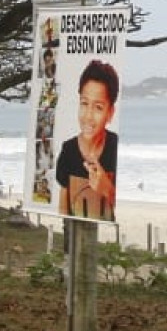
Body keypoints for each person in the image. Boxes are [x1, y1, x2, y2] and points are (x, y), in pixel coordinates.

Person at [55, 60, 118, 218]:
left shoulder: (116, 147)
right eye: (84, 103)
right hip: (74, 235)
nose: (88, 116)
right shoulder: (68, 150)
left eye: (98, 107)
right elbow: (63, 208)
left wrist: (107, 189)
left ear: (110, 113)